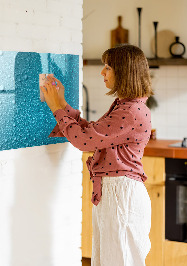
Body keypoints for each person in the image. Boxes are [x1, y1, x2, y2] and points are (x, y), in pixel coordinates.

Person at [41, 44, 153, 266]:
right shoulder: (126, 106)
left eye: (108, 67)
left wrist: (56, 108)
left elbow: (84, 141)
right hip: (116, 193)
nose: (102, 72)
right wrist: (62, 103)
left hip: (121, 195)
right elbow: (92, 133)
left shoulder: (130, 111)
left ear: (124, 72)